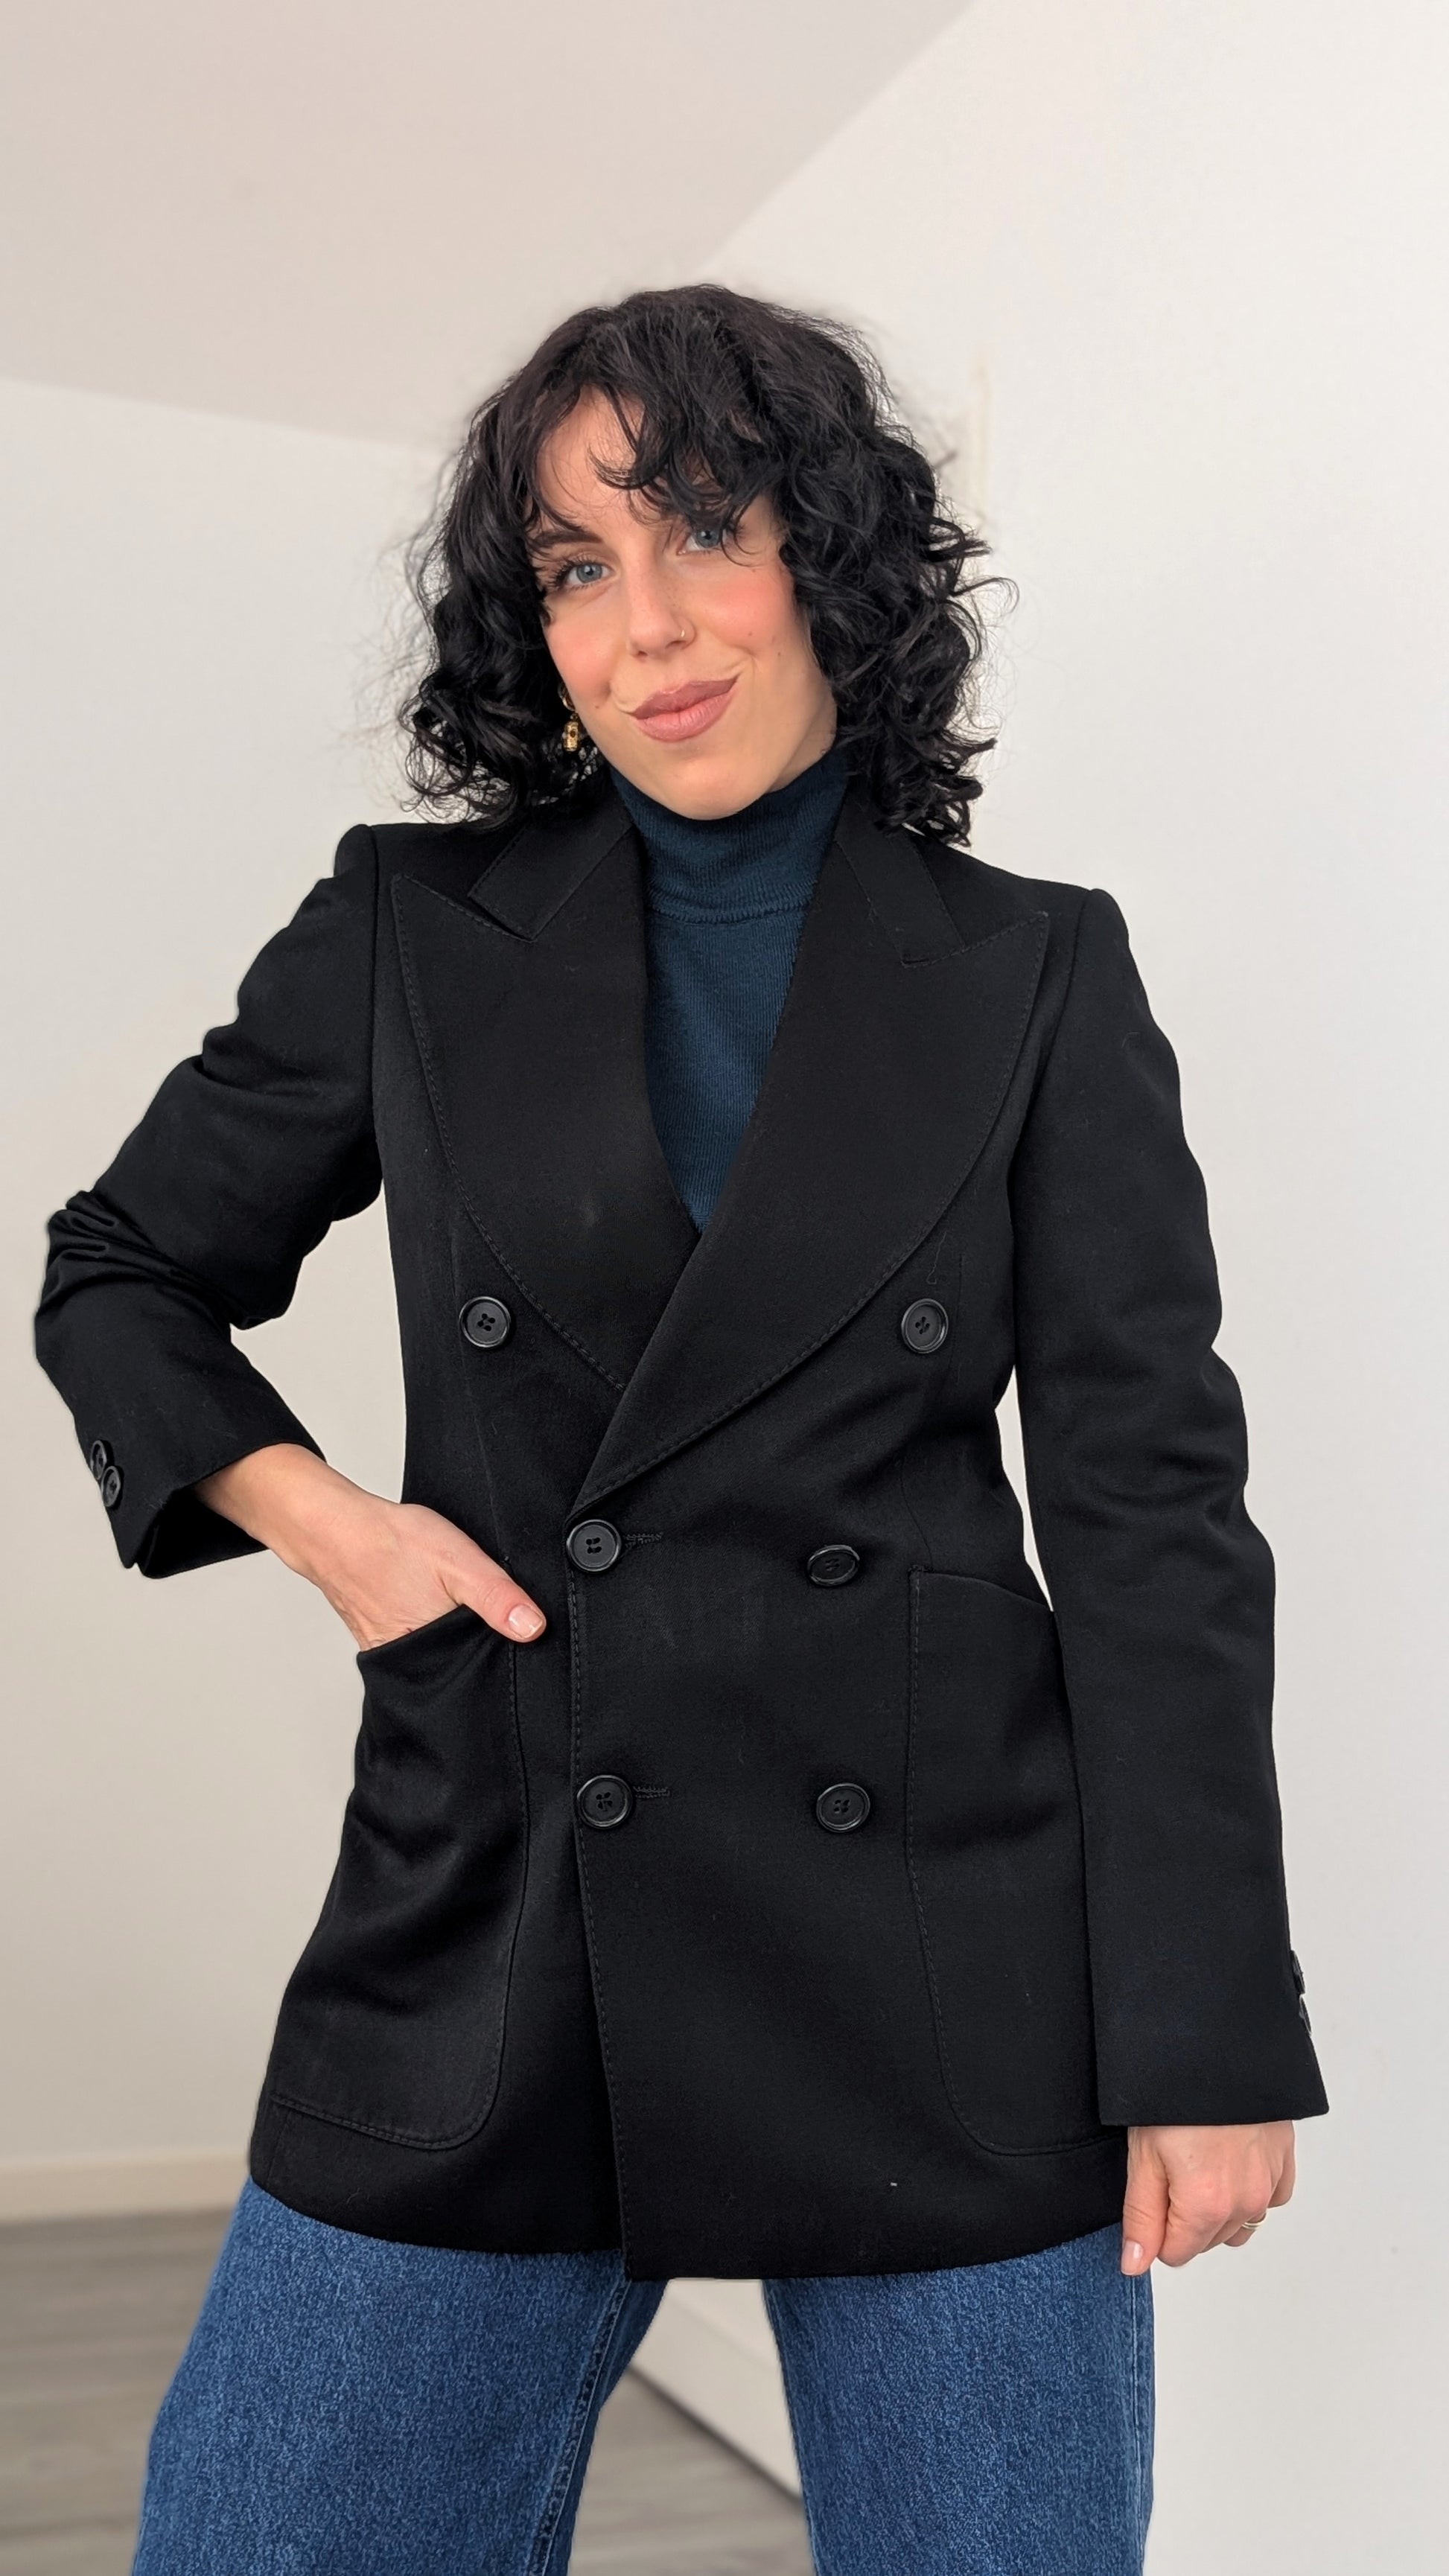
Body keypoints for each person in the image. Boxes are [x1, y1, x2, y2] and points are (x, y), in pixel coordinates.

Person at [34, 284, 1325, 2576]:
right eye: (574, 566)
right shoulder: (411, 929)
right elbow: (120, 1264)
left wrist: (1205, 2026)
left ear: (828, 553)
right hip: (498, 1889)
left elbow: (1150, 1516)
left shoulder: (1035, 970)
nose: (643, 628)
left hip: (942, 1938)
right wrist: (332, 1527)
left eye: (703, 528)